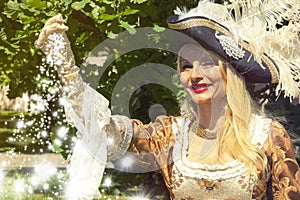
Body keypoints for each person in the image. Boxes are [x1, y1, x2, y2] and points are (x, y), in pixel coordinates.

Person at [36, 0, 300, 199]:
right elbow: (108, 134)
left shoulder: (266, 136)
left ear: (229, 73)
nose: (194, 75)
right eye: (186, 66)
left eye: (207, 63)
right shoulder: (171, 135)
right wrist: (67, 69)